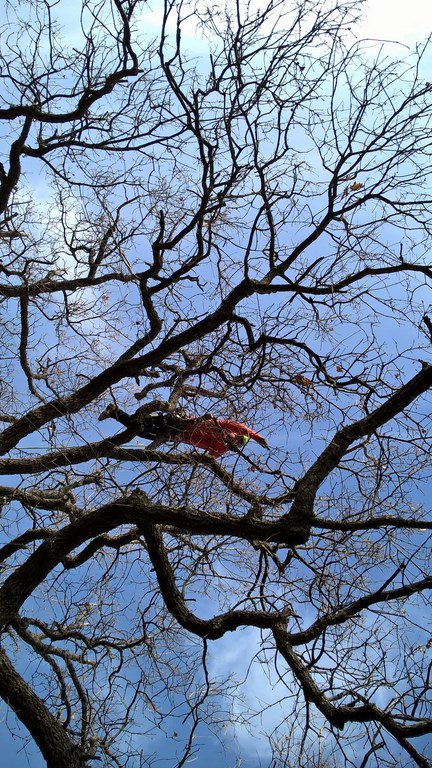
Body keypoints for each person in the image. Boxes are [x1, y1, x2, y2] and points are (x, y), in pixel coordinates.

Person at [98, 405, 269, 457]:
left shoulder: (221, 445)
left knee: (141, 432)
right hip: (181, 422)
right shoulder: (224, 425)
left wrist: (225, 449)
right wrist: (255, 437)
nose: (235, 438)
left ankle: (115, 413)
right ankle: (121, 413)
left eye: (237, 441)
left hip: (176, 436)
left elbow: (211, 456)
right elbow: (241, 427)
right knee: (146, 423)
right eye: (238, 437)